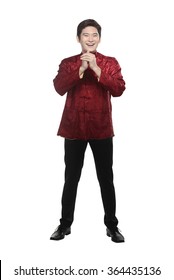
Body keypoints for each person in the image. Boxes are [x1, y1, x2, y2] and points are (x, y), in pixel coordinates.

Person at [50, 19, 126, 243]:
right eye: (85, 35)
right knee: (71, 178)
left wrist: (95, 68)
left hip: (101, 128)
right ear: (78, 38)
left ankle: (112, 226)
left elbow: (119, 89)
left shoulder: (110, 62)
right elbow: (58, 87)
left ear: (99, 38)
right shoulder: (68, 63)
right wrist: (81, 69)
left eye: (94, 35)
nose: (90, 39)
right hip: (73, 128)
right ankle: (64, 225)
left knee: (106, 178)